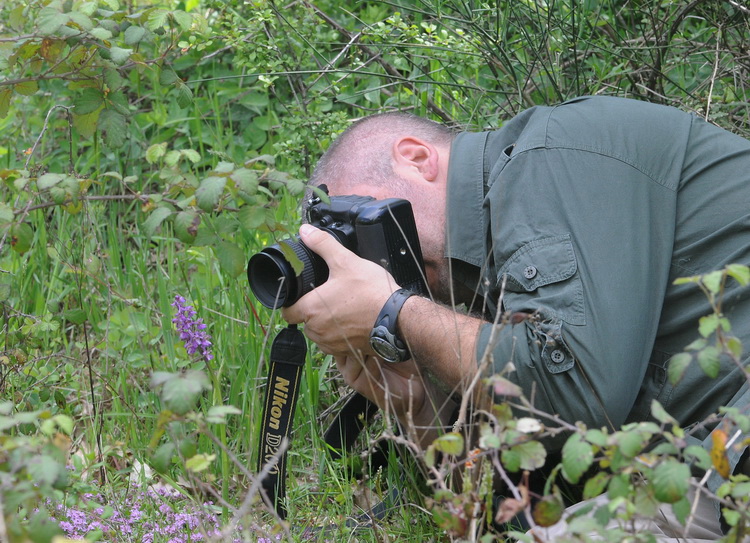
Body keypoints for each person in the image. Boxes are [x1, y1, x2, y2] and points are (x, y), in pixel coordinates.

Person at [280, 96, 750, 540]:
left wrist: (394, 311)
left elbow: (579, 395)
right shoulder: (486, 282)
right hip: (714, 469)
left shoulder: (551, 155)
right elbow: (494, 501)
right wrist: (415, 404)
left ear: (417, 158)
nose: (367, 257)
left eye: (365, 218)